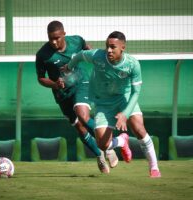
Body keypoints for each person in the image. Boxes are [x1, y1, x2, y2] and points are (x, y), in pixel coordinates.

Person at [63, 31, 161, 178]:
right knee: (102, 144)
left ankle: (154, 168)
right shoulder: (97, 56)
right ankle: (122, 141)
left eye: (113, 47)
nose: (108, 50)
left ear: (123, 47)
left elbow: (136, 92)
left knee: (139, 129)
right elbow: (79, 56)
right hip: (103, 103)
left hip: (125, 99)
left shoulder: (132, 64)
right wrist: (69, 67)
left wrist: (125, 114)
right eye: (107, 46)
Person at [35, 20, 118, 174]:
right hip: (62, 94)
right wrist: (54, 84)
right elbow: (40, 78)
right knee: (79, 127)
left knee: (83, 116)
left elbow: (87, 49)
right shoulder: (42, 55)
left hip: (81, 83)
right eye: (50, 38)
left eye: (57, 37)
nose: (54, 41)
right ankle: (99, 155)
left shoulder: (76, 41)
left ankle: (109, 146)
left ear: (64, 34)